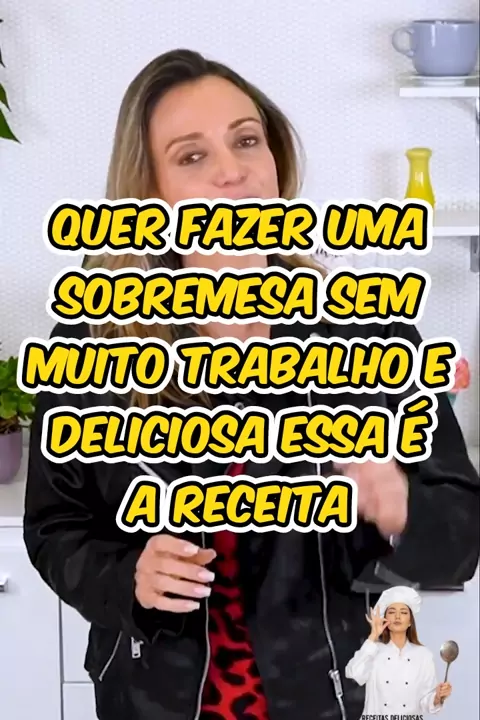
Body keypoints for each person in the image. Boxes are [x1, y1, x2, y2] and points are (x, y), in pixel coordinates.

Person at [23, 48, 480, 720]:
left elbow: (462, 538)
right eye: (192, 155)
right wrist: (127, 578)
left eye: (245, 140)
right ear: (149, 190)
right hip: (154, 699)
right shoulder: (94, 338)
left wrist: (402, 506)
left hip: (331, 696)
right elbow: (54, 525)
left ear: (274, 157)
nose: (232, 171)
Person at [346, 586, 452, 715]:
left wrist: (437, 697)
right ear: (385, 619)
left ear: (410, 621)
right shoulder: (374, 650)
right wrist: (373, 636)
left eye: (403, 612)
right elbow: (354, 673)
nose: (397, 616)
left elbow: (425, 701)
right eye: (391, 612)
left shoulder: (423, 655)